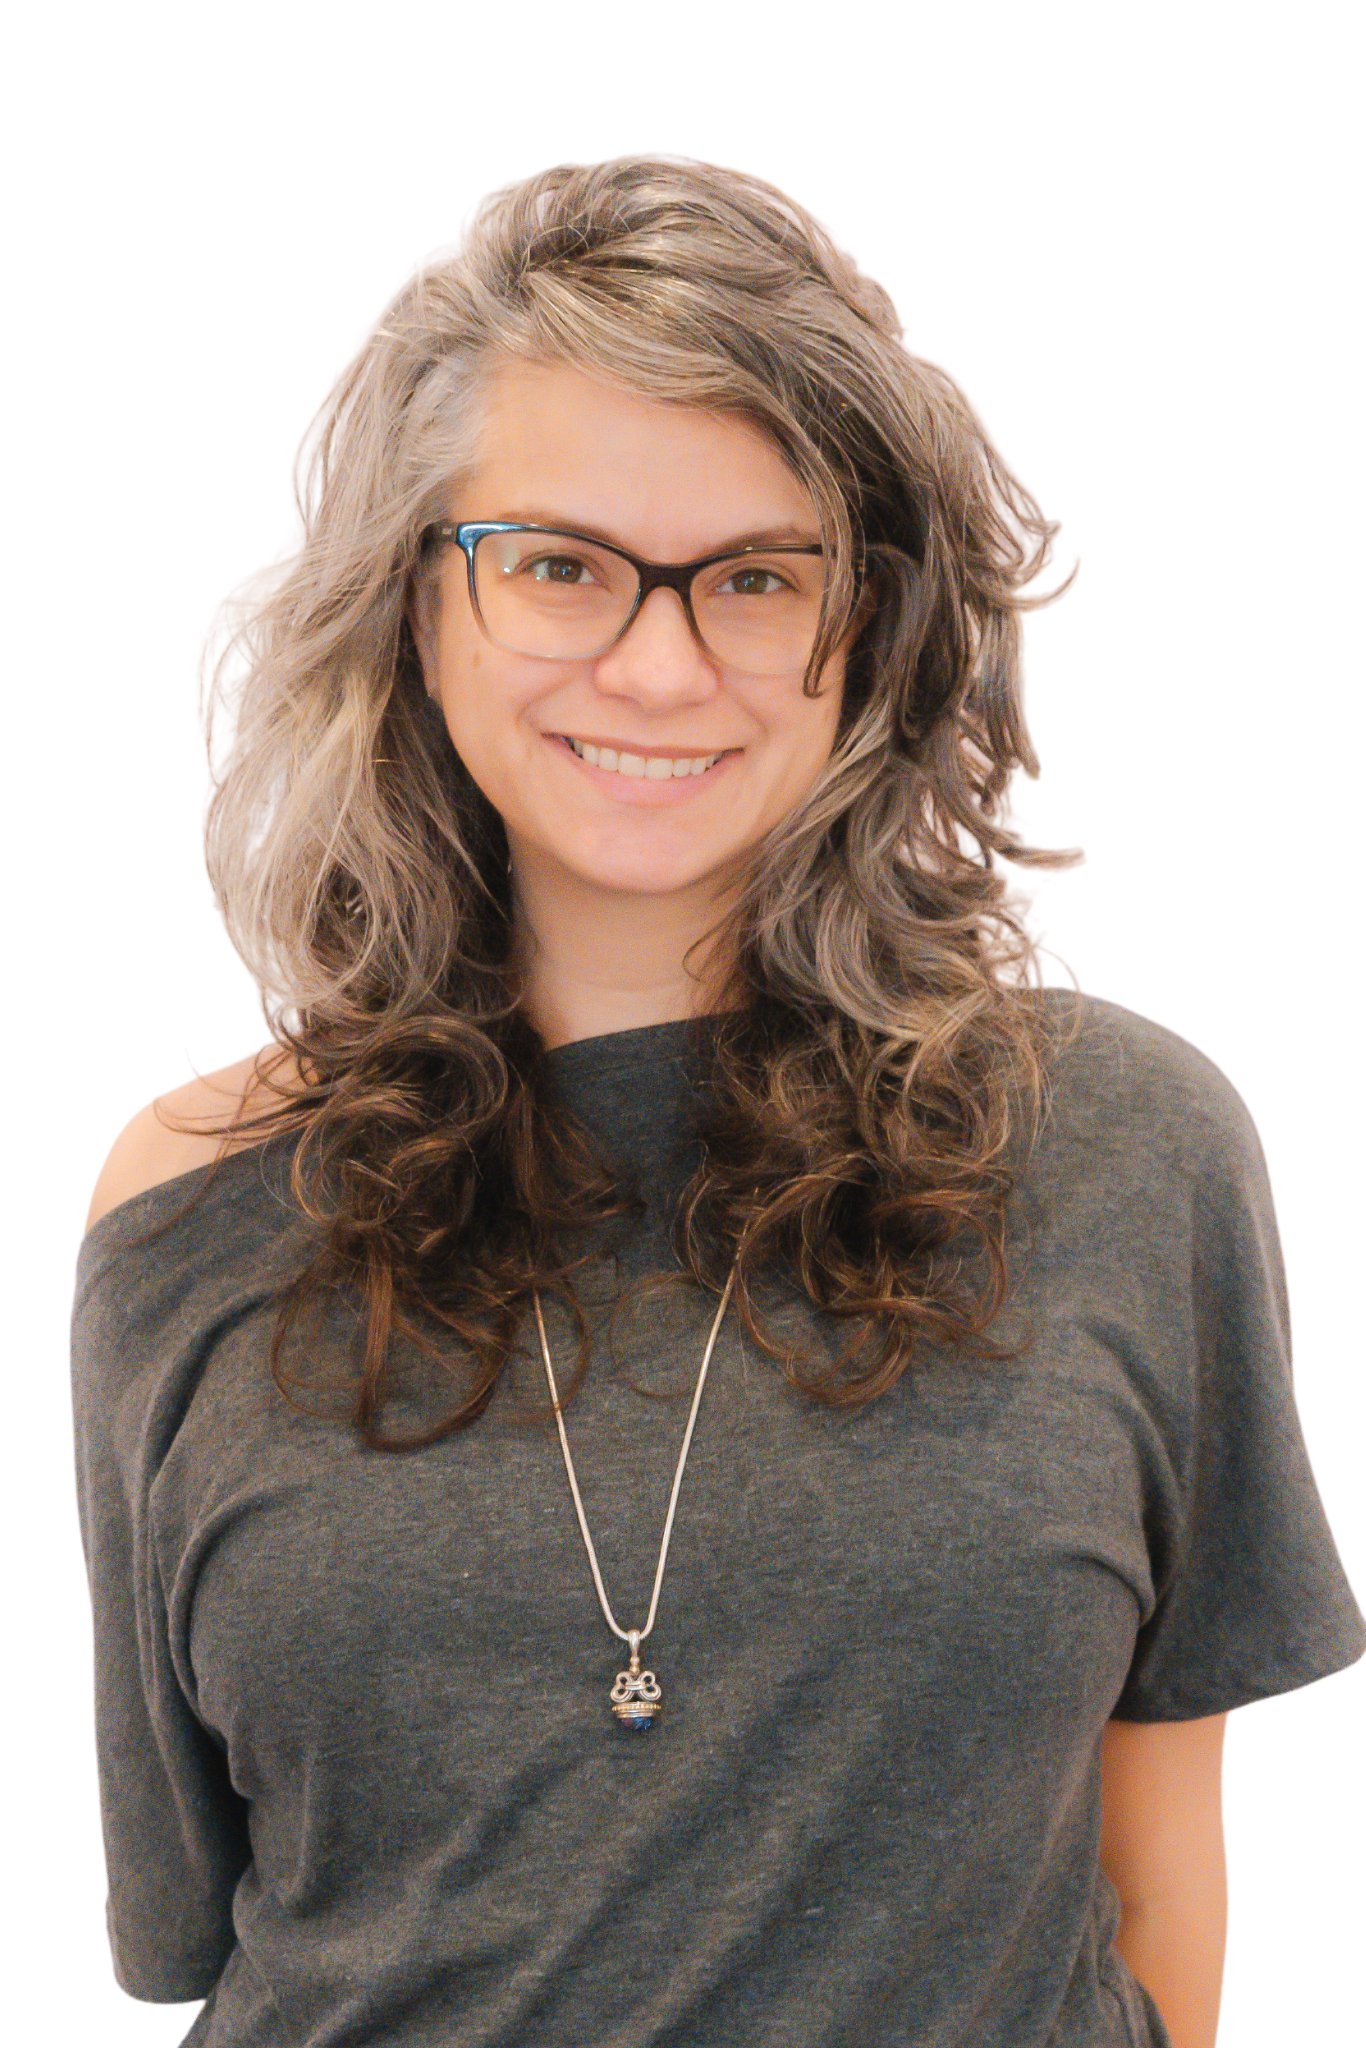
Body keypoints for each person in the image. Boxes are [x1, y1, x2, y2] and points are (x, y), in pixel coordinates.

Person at [72, 155, 1363, 2048]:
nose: (659, 666)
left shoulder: (1122, 1151)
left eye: (756, 578)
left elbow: (1163, 1891)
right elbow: (213, 1917)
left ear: (872, 624)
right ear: (419, 608)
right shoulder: (193, 1203)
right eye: (559, 566)